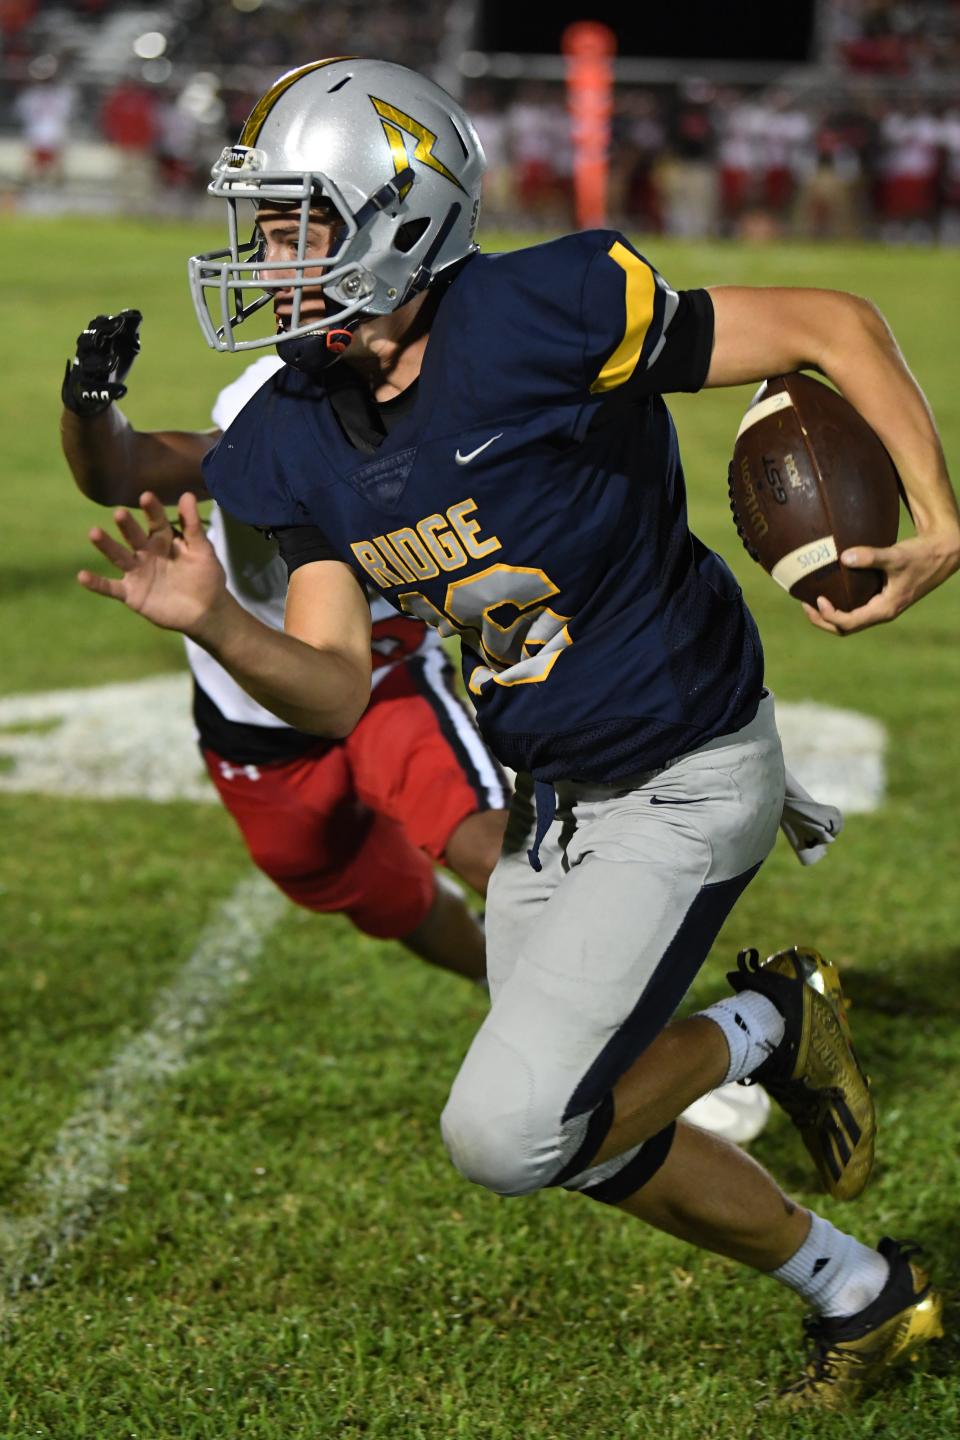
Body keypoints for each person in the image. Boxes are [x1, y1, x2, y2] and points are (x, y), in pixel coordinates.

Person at [77, 58, 959, 1407]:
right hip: (551, 799)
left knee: (506, 1133)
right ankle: (862, 1293)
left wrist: (939, 521)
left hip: (683, 772)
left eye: (299, 224)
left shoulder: (543, 310)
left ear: (407, 215)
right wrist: (212, 621)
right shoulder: (302, 426)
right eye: (264, 227)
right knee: (589, 1134)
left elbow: (830, 322)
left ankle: (766, 1025)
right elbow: (325, 688)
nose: (268, 259)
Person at [61, 313, 511, 983]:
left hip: (380, 670)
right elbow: (128, 469)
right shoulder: (274, 405)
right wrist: (88, 407)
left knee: (482, 842)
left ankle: (612, 1020)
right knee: (382, 895)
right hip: (255, 712)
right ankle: (506, 979)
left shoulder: (458, 405)